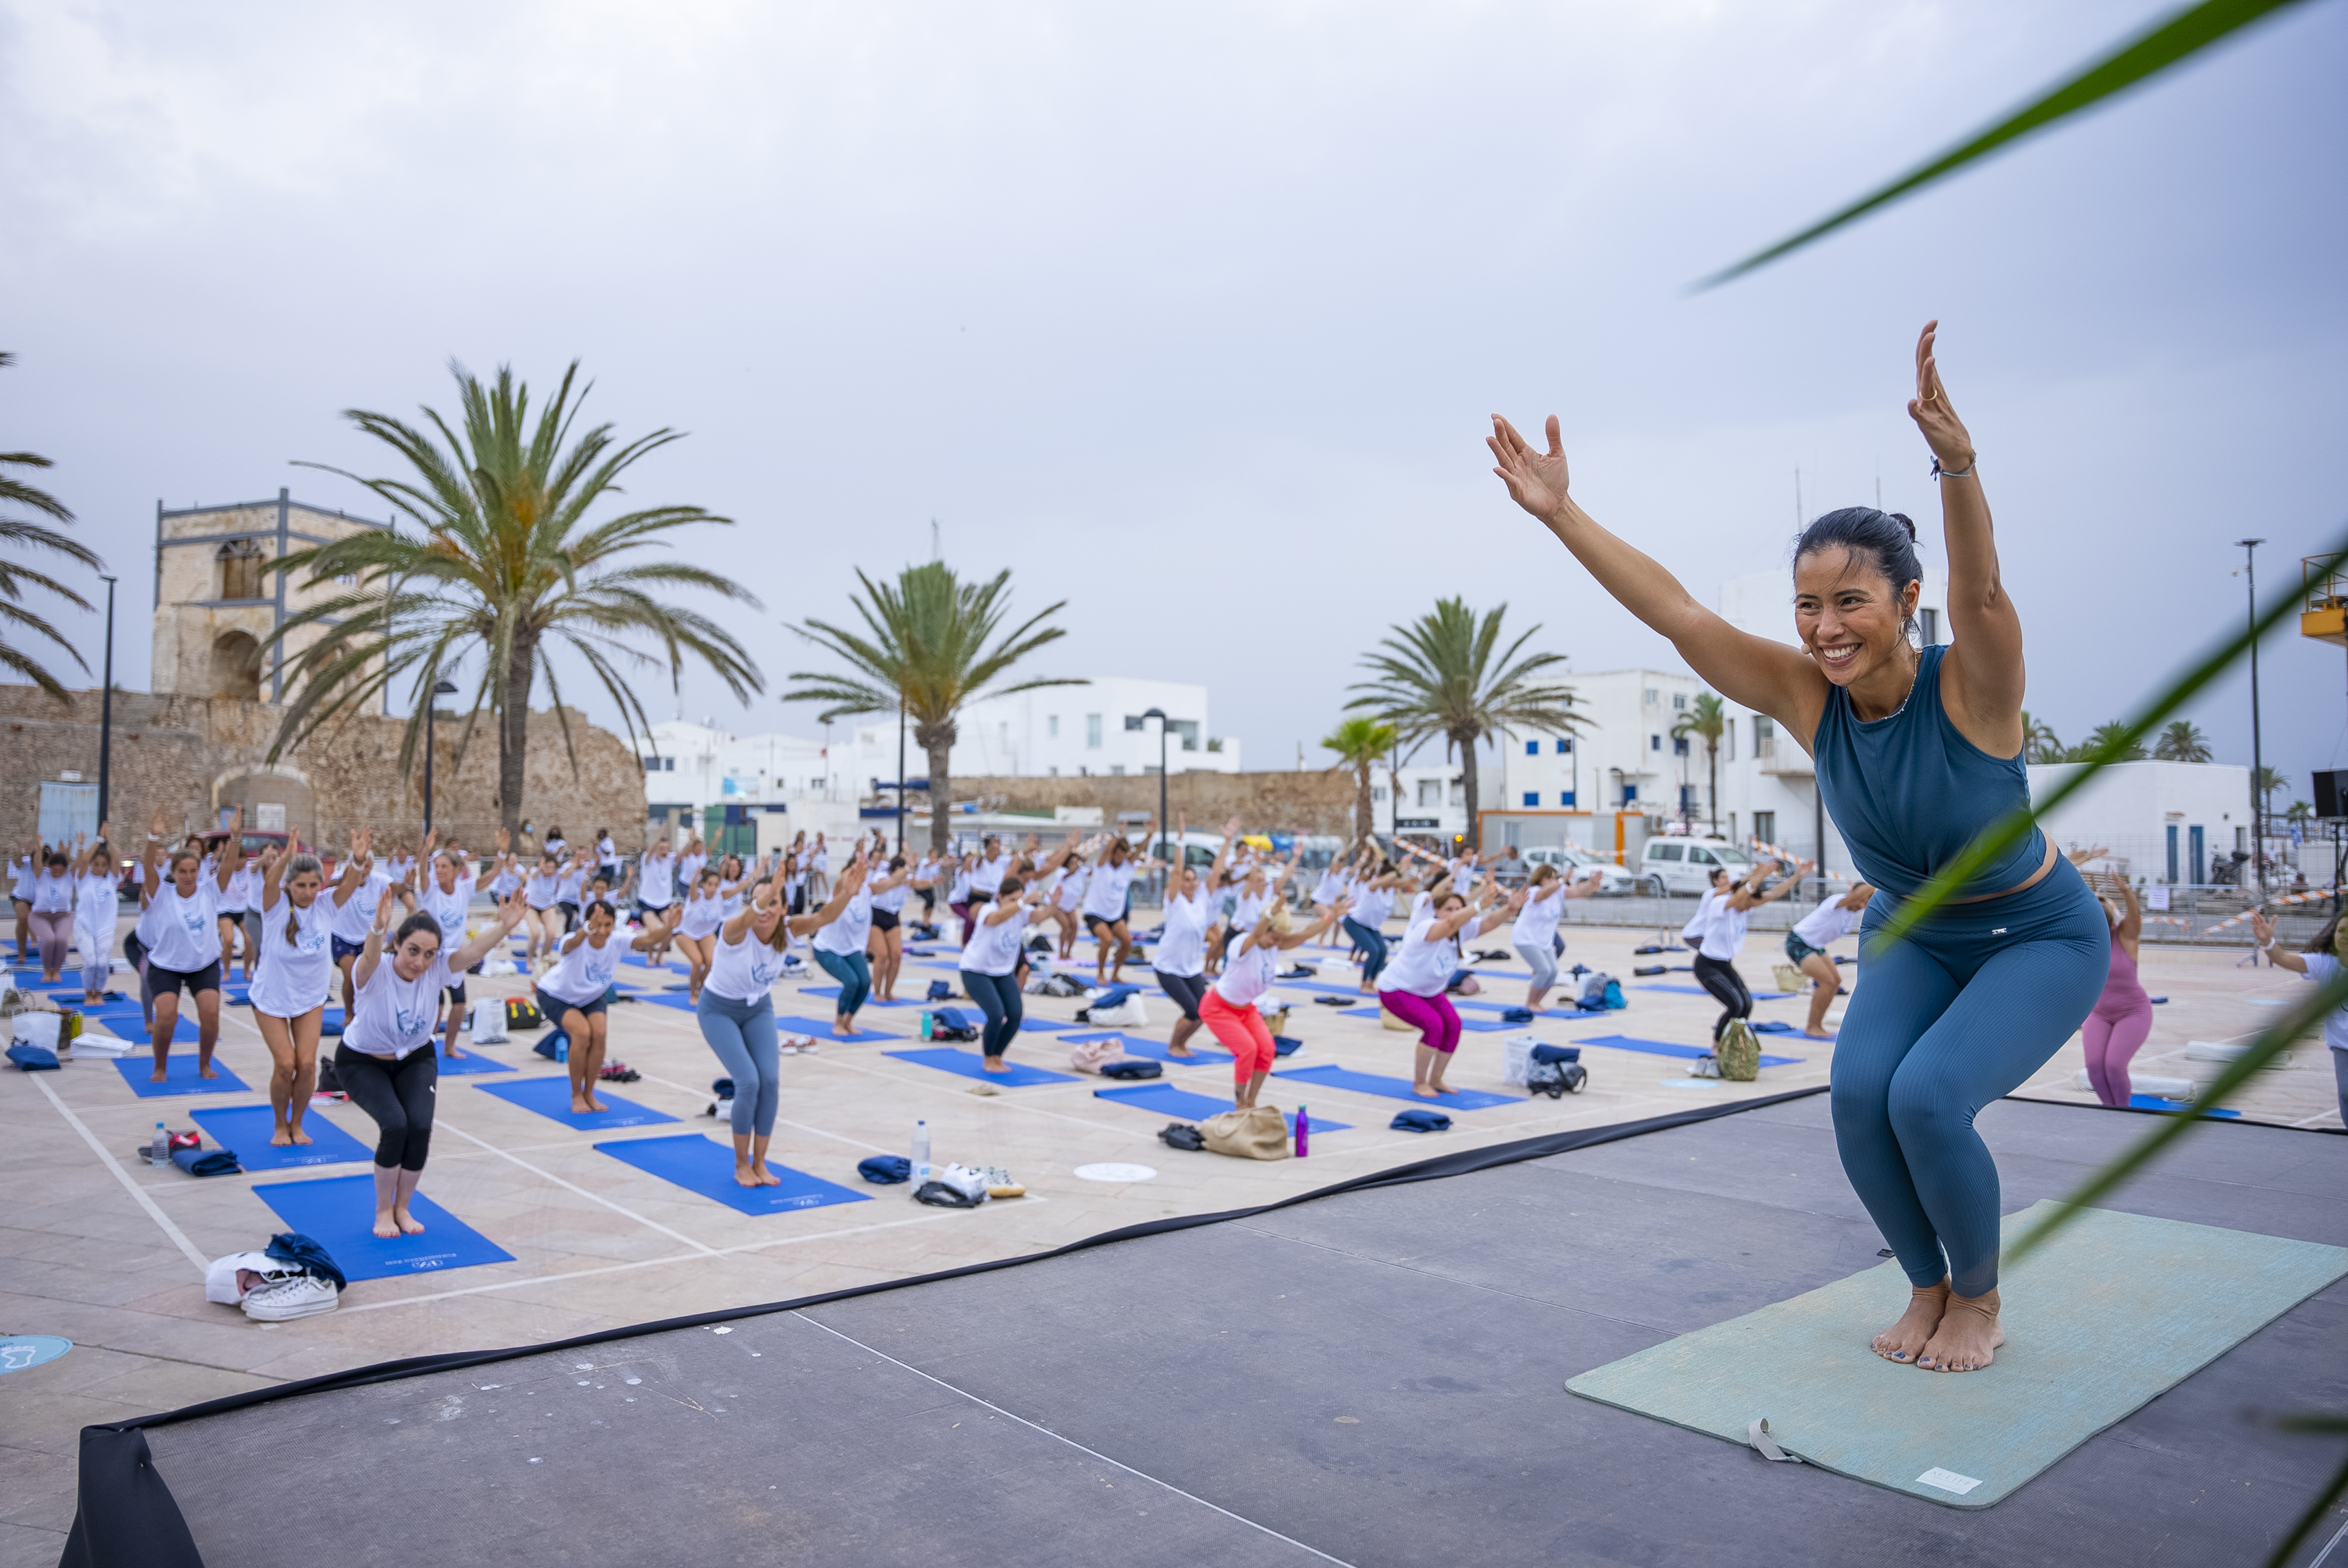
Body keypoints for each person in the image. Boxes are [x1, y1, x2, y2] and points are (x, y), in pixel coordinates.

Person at [1489, 319, 2109, 1374]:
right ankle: (1926, 1285)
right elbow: (1677, 612)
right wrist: (1561, 515)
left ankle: (1982, 1300)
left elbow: (1987, 593)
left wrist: (1956, 464)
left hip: (2032, 936)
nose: (1825, 627)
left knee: (1927, 1096)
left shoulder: (1974, 682)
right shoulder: (1806, 698)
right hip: (1916, 929)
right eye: (1809, 605)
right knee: (1859, 1093)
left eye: (1851, 602)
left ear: (1907, 602)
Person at [342, 883, 524, 1237]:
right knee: (395, 1125)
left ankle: (403, 1207)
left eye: (428, 954)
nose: (420, 962)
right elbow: (367, 956)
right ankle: (383, 1211)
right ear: (397, 944)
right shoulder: (373, 970)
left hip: (415, 1056)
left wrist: (504, 926)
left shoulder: (438, 968)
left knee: (420, 1128)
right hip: (362, 1061)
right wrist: (378, 928)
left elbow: (470, 951)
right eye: (413, 951)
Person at [250, 836, 369, 1144]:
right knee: (285, 1063)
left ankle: (298, 1124)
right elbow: (269, 884)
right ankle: (279, 1125)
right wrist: (286, 857)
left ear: (321, 885)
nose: (307, 892)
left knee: (305, 1065)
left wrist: (357, 859)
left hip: (309, 1000)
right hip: (271, 999)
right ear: (289, 885)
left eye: (313, 885)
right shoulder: (275, 906)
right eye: (300, 885)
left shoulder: (326, 905)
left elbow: (351, 883)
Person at [1378, 879, 1521, 1097]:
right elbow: (1449, 924)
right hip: (1397, 990)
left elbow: (1489, 923)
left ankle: (1436, 1080)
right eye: (1448, 909)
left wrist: (1509, 909)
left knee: (1453, 1025)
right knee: (1434, 1026)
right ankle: (1419, 1083)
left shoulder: (1461, 929)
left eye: (1457, 909)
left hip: (1429, 991)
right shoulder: (1426, 927)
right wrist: (1478, 906)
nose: (1453, 913)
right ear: (1436, 911)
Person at [1205, 897, 1350, 1109]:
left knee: (1266, 1049)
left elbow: (1306, 933)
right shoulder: (1243, 944)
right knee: (1247, 1050)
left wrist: (1330, 917)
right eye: (1274, 937)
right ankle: (1239, 1104)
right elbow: (1256, 933)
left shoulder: (1275, 945)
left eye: (1281, 939)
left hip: (1245, 1009)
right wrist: (1271, 913)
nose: (1278, 943)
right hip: (1218, 1008)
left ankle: (1251, 1101)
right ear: (1264, 929)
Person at [135, 805, 242, 1081]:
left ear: (199, 871)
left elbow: (228, 866)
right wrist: (152, 837)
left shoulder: (209, 892)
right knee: (167, 1016)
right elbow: (148, 867)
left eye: (193, 870)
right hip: (165, 965)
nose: (188, 876)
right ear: (173, 871)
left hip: (202, 964)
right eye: (182, 871)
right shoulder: (162, 893)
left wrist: (236, 836)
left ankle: (205, 1064)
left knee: (210, 1012)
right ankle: (160, 1067)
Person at [536, 897, 668, 1113]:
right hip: (556, 995)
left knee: (599, 1034)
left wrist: (671, 926)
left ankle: (589, 1092)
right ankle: (576, 1094)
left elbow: (649, 939)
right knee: (582, 1034)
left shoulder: (616, 941)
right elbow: (570, 945)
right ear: (587, 923)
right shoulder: (575, 939)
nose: (602, 931)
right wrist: (587, 929)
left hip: (592, 995)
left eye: (608, 925)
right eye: (597, 925)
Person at [1694, 857, 1813, 1044]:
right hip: (1706, 965)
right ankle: (1716, 1047)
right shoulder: (1720, 904)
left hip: (1725, 964)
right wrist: (1756, 877)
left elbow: (1773, 893)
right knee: (1735, 1004)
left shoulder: (1744, 906)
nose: (1749, 907)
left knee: (1747, 1005)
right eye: (1747, 902)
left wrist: (1797, 876)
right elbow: (1740, 896)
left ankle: (1732, 1042)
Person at [2249, 908, 2348, 1128]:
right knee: (2346, 1094)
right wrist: (2268, 942)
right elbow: (2283, 958)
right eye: (2341, 930)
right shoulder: (2325, 963)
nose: (2345, 936)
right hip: (2343, 1047)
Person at [2073, 851, 2150, 1108]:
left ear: (2108, 921)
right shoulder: (2085, 940)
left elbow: (2136, 919)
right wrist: (2072, 866)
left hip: (2132, 1011)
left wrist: (2126, 891)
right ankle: (2112, 1111)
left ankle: (2122, 1111)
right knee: (2095, 1068)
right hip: (2099, 1013)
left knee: (2114, 1066)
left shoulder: (2124, 937)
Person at [959, 873, 1053, 1073]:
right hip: (975, 971)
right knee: (996, 1014)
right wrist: (1021, 902)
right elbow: (997, 919)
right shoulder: (988, 909)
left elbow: (1041, 916)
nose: (1016, 903)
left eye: (1018, 899)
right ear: (1000, 896)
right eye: (1011, 899)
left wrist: (1057, 903)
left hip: (1002, 972)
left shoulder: (1020, 911)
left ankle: (997, 1056)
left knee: (1015, 1014)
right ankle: (987, 1059)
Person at [808, 851, 906, 1038]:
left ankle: (848, 1021)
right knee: (852, 982)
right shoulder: (838, 892)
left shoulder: (868, 890)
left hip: (851, 948)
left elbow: (893, 882)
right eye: (855, 872)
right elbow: (840, 881)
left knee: (864, 982)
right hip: (827, 948)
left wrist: (907, 865)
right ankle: (838, 1023)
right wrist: (853, 868)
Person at [415, 836, 480, 1059]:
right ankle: (424, 1047)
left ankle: (449, 1047)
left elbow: (490, 877)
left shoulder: (464, 889)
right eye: (437, 866)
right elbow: (422, 872)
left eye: (444, 866)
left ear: (457, 870)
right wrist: (425, 851)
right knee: (437, 1007)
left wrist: (501, 855)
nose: (439, 870)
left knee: (460, 1004)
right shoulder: (430, 891)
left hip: (455, 959)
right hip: (433, 958)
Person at [1786, 880, 1877, 1038]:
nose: (1861, 905)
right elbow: (1856, 895)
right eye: (1861, 900)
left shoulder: (1848, 914)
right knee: (1827, 982)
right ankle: (1812, 1026)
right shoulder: (1836, 901)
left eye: (1865, 903)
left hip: (1816, 945)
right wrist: (1878, 881)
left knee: (1835, 982)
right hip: (1799, 942)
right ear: (1852, 894)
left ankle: (1817, 1024)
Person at [1513, 863, 1603, 1011]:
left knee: (1553, 972)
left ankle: (1537, 1001)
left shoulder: (1559, 892)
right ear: (1540, 879)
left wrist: (1591, 884)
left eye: (1555, 878)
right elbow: (1543, 894)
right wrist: (1561, 880)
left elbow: (1578, 891)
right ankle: (1530, 1003)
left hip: (1544, 942)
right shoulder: (1533, 891)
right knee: (1544, 970)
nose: (1554, 881)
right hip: (1525, 939)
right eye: (1550, 878)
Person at [1080, 822, 1158, 985]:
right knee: (1107, 940)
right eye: (1118, 855)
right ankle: (1100, 974)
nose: (1121, 858)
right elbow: (1107, 851)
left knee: (1127, 941)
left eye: (1124, 855)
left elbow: (1138, 852)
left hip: (1114, 915)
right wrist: (1117, 835)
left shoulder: (1127, 867)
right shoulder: (1102, 866)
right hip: (1094, 912)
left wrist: (1149, 836)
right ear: (1113, 853)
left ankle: (1115, 974)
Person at [70, 827, 122, 1005]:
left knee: (102, 964)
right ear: (92, 864)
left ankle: (98, 992)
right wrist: (99, 839)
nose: (99, 868)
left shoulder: (112, 880)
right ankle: (87, 993)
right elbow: (84, 859)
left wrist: (110, 840)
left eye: (103, 865)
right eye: (96, 864)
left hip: (105, 928)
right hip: (84, 926)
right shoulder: (83, 878)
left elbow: (116, 859)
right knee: (91, 962)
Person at [1343, 852, 1406, 993]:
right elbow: (1388, 878)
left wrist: (1405, 869)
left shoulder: (1389, 890)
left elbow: (1408, 881)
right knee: (1374, 950)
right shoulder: (1372, 886)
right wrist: (1395, 870)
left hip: (1371, 926)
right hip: (1355, 922)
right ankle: (1364, 983)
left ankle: (1371, 982)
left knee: (1383, 951)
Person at [671, 866, 729, 1004]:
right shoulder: (696, 896)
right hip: (685, 933)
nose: (713, 888)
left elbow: (737, 889)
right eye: (709, 884)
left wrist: (751, 878)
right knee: (697, 962)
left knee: (710, 962)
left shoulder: (719, 897)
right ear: (703, 884)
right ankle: (693, 994)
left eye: (716, 885)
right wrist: (695, 878)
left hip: (705, 933)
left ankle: (701, 990)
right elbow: (692, 889)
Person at [867, 852, 917, 1002]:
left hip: (893, 917)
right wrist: (907, 869)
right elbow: (889, 883)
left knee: (896, 955)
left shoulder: (903, 881)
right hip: (876, 916)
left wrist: (933, 882)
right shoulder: (881, 876)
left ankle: (888, 991)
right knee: (882, 955)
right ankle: (877, 992)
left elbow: (918, 883)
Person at [25, 844, 75, 983]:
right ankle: (47, 970)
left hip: (63, 915)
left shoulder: (69, 876)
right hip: (40, 916)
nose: (57, 873)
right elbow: (36, 863)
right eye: (54, 870)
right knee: (49, 939)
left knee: (61, 940)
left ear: (65, 869)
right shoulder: (42, 875)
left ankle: (57, 971)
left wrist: (80, 847)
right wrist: (39, 848)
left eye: (61, 870)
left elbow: (81, 863)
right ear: (49, 867)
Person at [9, 839, 37, 965]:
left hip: (37, 900)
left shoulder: (46, 868)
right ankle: (22, 953)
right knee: (23, 917)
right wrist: (22, 852)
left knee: (31, 920)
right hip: (21, 897)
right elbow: (17, 862)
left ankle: (34, 940)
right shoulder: (26, 863)